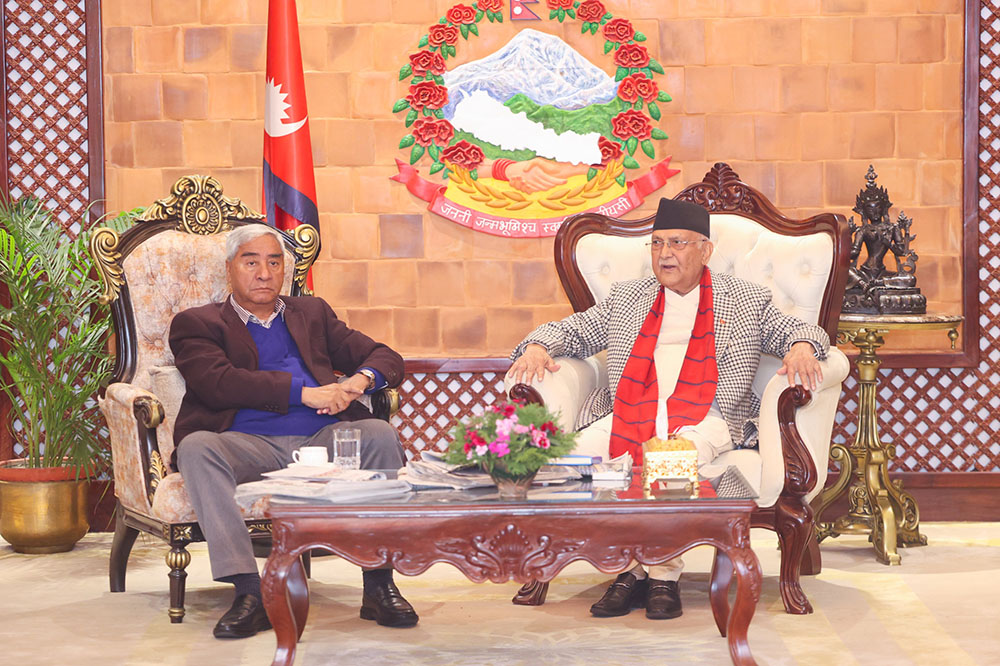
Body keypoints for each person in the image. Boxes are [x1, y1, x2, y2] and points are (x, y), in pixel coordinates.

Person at [506, 198, 828, 621]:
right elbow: (574, 330)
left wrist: (802, 346)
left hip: (709, 414)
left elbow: (799, 329)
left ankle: (659, 576)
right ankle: (629, 568)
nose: (664, 254)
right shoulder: (628, 298)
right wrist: (535, 346)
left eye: (677, 243)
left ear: (705, 250)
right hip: (628, 411)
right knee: (574, 462)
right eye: (657, 243)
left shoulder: (745, 299)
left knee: (670, 460)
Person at [169, 224, 418, 639]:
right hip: (244, 443)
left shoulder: (312, 313)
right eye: (251, 262)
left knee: (378, 434)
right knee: (196, 448)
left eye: (274, 262)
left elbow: (385, 356)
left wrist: (359, 382)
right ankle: (250, 592)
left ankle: (379, 584)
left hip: (322, 439)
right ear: (230, 269)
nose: (264, 273)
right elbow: (217, 383)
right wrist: (303, 393)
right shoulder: (197, 323)